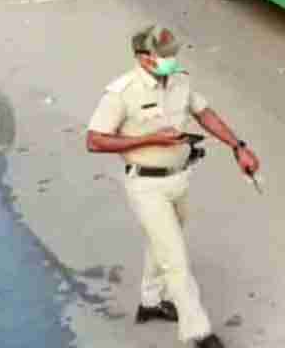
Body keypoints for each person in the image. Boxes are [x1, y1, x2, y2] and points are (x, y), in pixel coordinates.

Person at [86, 25, 262, 348]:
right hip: (146, 184)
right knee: (176, 259)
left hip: (179, 178)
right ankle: (197, 332)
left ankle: (151, 302)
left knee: (163, 243)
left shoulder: (180, 79)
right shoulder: (122, 93)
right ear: (144, 58)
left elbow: (204, 113)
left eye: (172, 54)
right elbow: (94, 140)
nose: (171, 60)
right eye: (164, 55)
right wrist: (150, 138)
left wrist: (238, 147)